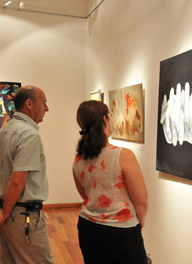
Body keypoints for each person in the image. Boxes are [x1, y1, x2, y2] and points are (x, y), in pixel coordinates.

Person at [0, 85, 54, 264]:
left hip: (8, 214)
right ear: (29, 104)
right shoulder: (29, 134)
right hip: (23, 216)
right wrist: (4, 213)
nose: (47, 108)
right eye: (44, 103)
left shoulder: (2, 132)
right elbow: (17, 180)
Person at [73, 100, 149, 264]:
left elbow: (84, 193)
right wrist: (138, 225)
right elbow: (141, 200)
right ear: (104, 121)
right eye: (109, 117)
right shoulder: (123, 155)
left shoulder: (79, 158)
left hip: (88, 227)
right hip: (121, 231)